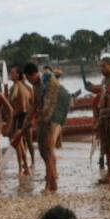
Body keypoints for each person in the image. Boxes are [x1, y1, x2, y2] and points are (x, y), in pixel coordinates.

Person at [20, 63, 70, 193]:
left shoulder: (47, 79)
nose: (28, 81)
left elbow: (48, 104)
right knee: (43, 150)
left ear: (34, 74)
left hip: (58, 109)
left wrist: (36, 120)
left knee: (48, 147)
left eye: (28, 78)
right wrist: (27, 120)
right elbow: (36, 104)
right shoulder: (35, 86)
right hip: (46, 113)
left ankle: (49, 184)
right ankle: (53, 181)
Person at [10, 66, 31, 176]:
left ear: (18, 75)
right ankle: (22, 167)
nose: (10, 74)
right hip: (24, 117)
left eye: (12, 73)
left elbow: (22, 106)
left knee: (19, 144)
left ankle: (25, 167)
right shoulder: (21, 87)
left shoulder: (18, 87)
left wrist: (12, 116)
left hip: (20, 117)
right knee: (20, 144)